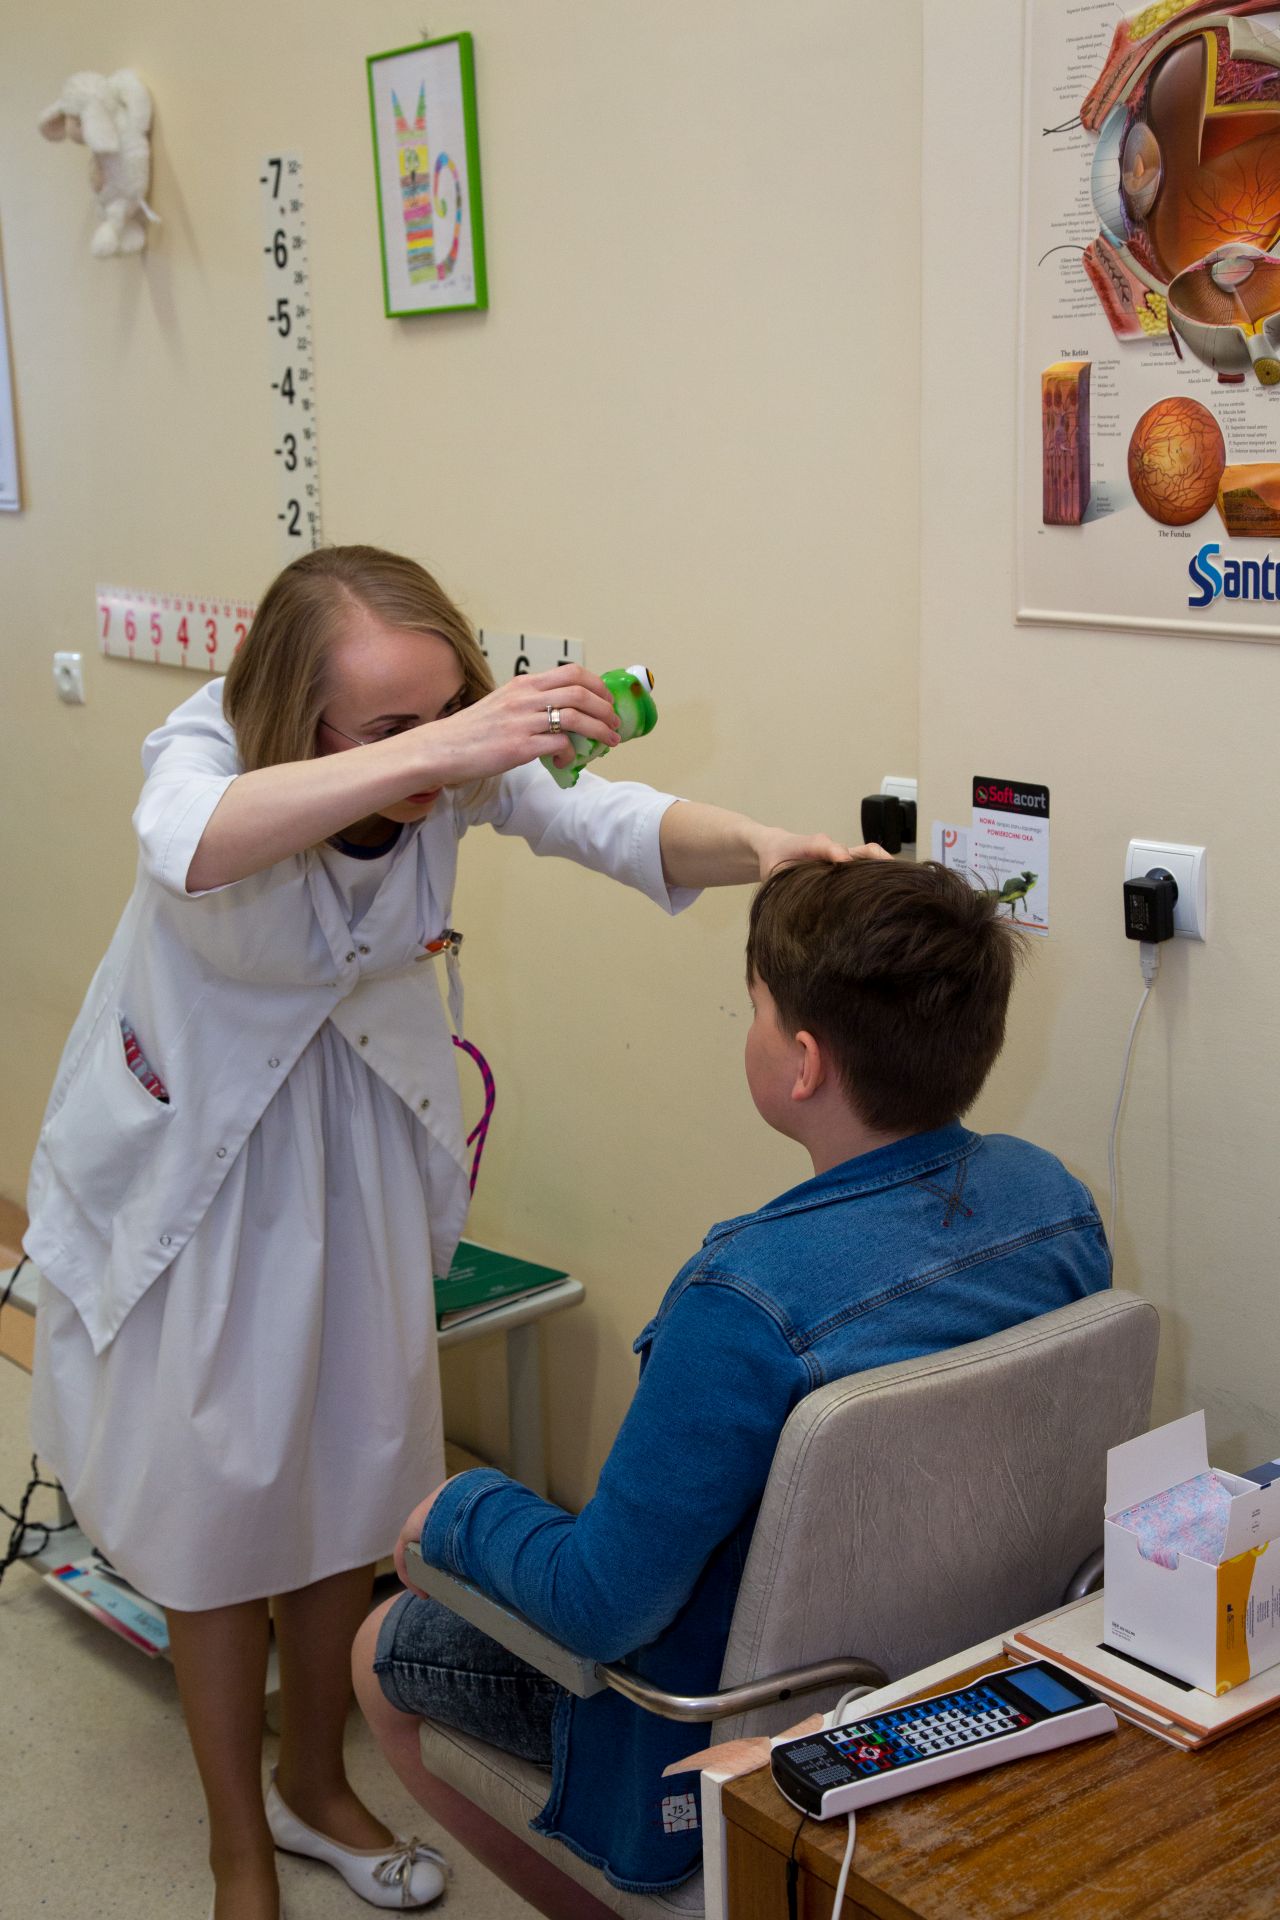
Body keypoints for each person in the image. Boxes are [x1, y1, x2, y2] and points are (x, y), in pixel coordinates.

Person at [24, 545, 867, 1920]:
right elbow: (187, 839)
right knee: (212, 1505)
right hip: (200, 1168)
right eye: (384, 728)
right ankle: (237, 1840)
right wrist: (455, 744)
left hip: (351, 1142)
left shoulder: (450, 763)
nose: (426, 753)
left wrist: (766, 848)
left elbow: (619, 822)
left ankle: (313, 1783)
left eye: (442, 712)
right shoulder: (206, 750)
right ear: (299, 716)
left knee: (348, 1475)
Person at [353, 857, 1113, 1897]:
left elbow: (598, 1608)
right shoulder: (1052, 1199)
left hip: (723, 1725)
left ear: (801, 1062)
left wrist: (455, 1511)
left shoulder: (742, 1302)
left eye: (753, 1006)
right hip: (961, 1673)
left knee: (382, 1644)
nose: (746, 1027)